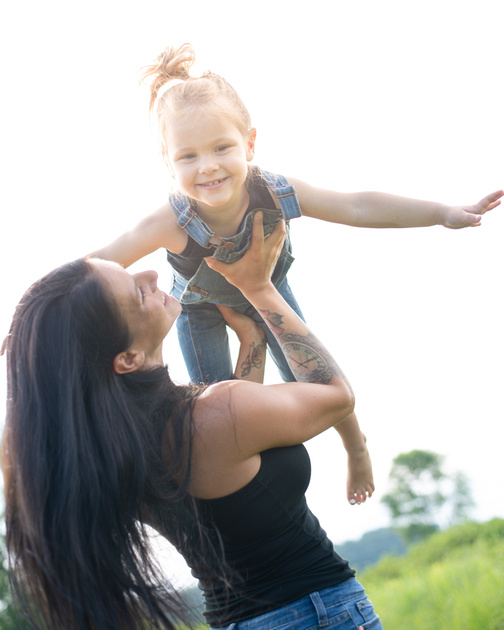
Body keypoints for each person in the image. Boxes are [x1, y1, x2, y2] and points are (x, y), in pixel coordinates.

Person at [89, 43, 502, 508]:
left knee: (317, 383)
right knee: (216, 406)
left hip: (271, 289)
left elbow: (357, 204)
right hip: (200, 311)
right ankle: (250, 490)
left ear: (249, 142)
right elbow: (101, 259)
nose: (206, 166)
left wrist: (442, 213)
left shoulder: (275, 190)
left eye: (221, 147)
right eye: (187, 157)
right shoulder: (170, 219)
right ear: (167, 162)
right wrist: (32, 310)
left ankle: (355, 444)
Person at [2, 214, 379, 629]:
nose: (148, 272)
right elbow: (336, 396)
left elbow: (235, 450)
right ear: (126, 359)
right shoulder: (216, 414)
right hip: (317, 614)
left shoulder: (118, 447)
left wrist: (251, 341)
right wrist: (259, 288)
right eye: (135, 290)